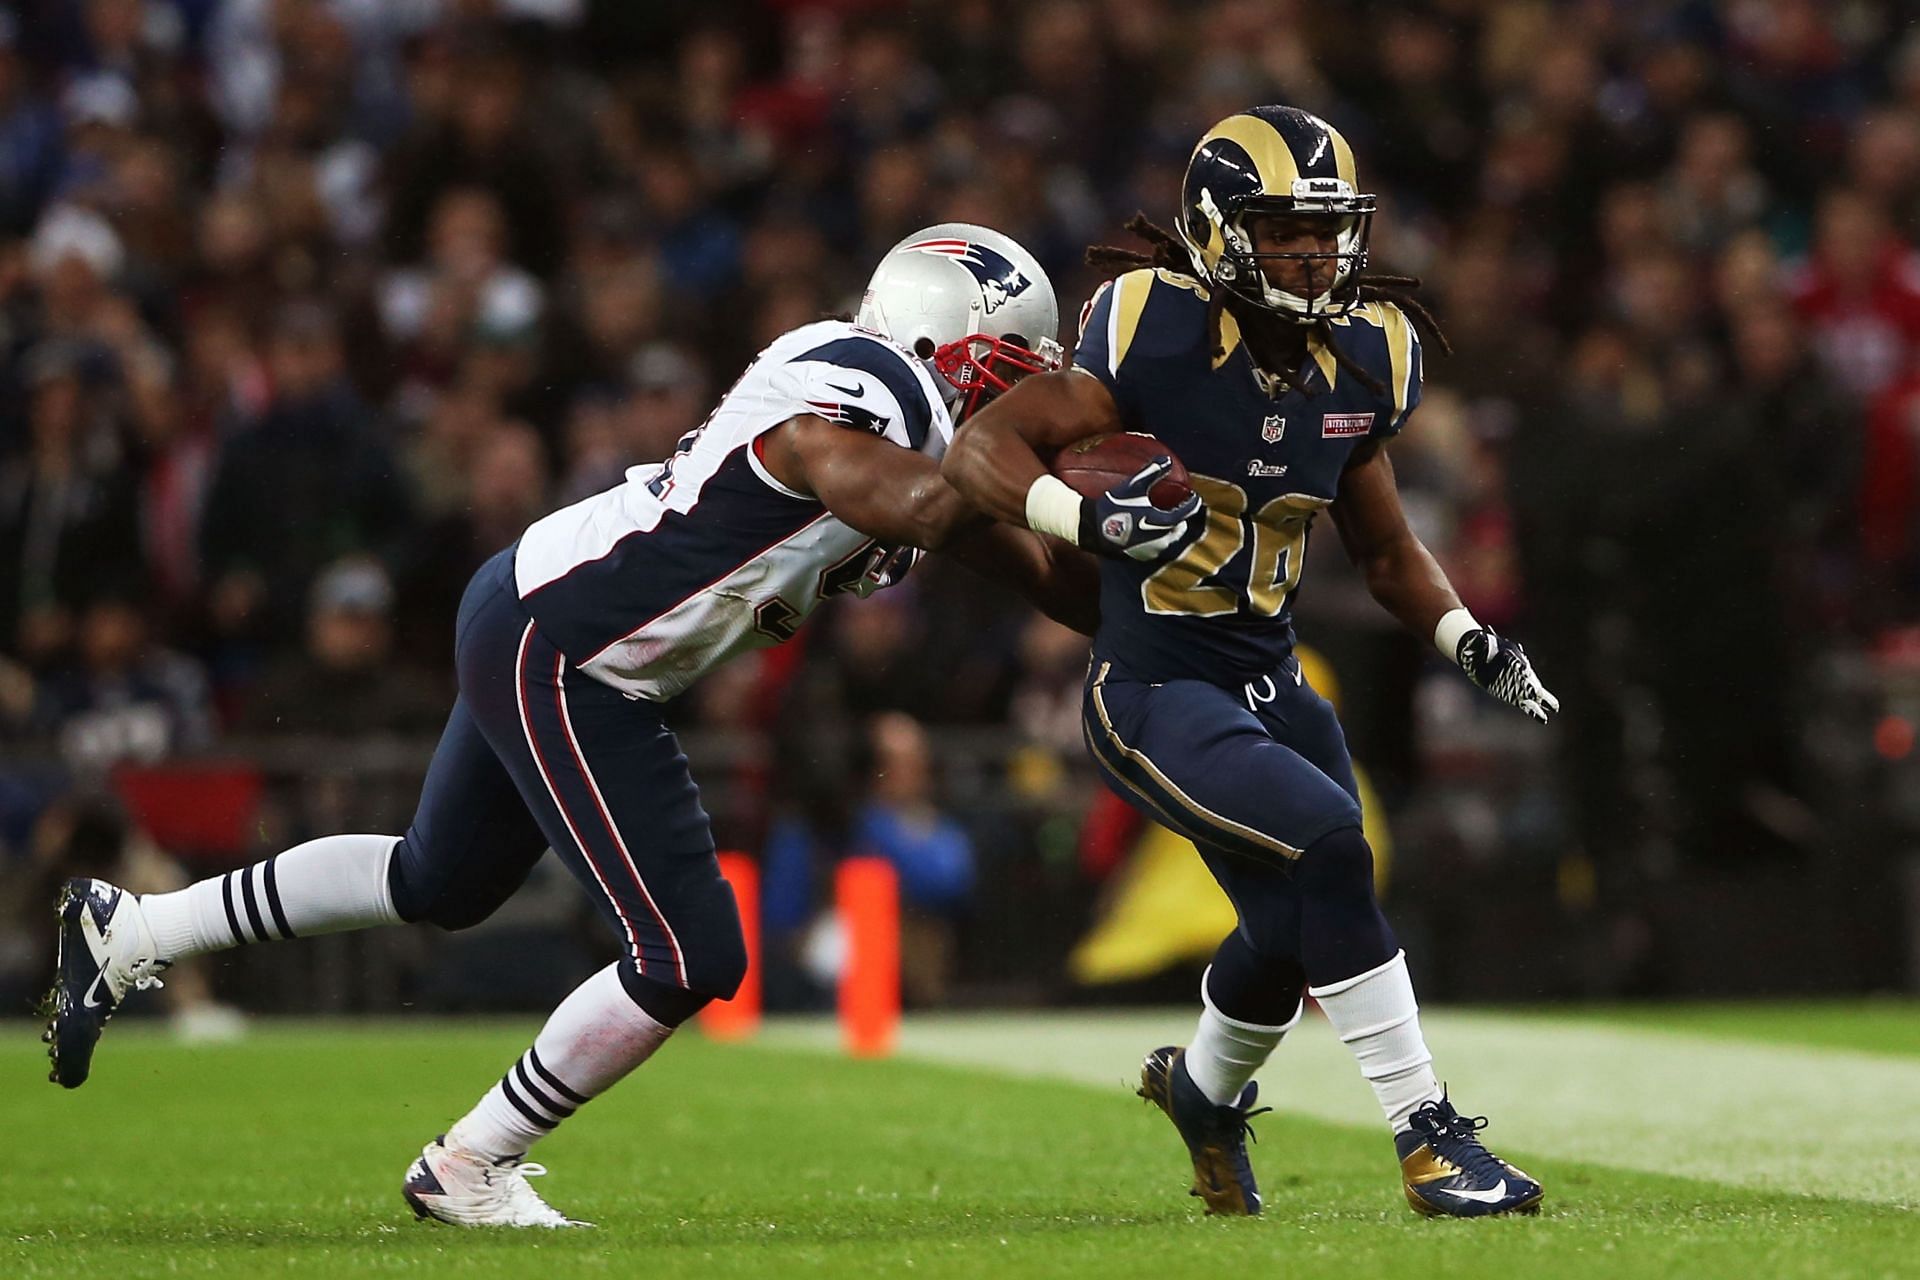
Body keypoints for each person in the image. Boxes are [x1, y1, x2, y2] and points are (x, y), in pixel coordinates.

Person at [42, 222, 1098, 1228]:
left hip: (552, 620)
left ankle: (134, 929)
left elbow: (1058, 583)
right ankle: (471, 1160)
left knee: (435, 878)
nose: (1014, 392)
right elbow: (918, 501)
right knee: (688, 949)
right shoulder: (862, 377)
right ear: (930, 332)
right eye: (1006, 362)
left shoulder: (927, 437)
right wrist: (1046, 483)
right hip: (574, 646)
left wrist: (1139, 537)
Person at [942, 106, 1556, 1219]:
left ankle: (1205, 1095)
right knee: (1326, 839)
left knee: (1291, 923)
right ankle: (1430, 1138)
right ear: (1221, 231)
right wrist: (1083, 524)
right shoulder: (1152, 331)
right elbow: (984, 447)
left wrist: (1473, 639)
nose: (1317, 256)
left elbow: (1382, 548)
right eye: (1285, 231)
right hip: (1155, 683)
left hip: (1275, 682)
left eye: (1330, 231)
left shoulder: (1368, 352)